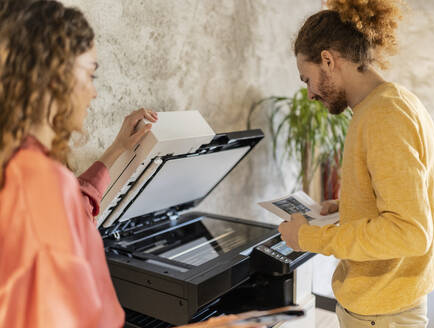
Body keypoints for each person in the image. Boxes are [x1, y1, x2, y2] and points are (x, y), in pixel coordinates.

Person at [0, 1, 260, 327]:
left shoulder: (19, 168)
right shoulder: (44, 184)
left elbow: (73, 208)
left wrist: (119, 148)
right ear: (56, 78)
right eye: (90, 73)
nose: (93, 92)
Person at [278, 1, 434, 327]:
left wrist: (308, 238)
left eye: (306, 79)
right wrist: (350, 205)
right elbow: (405, 196)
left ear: (328, 60)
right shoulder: (389, 104)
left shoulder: (384, 115)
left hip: (382, 312)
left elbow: (409, 232)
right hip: (384, 304)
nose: (309, 94)